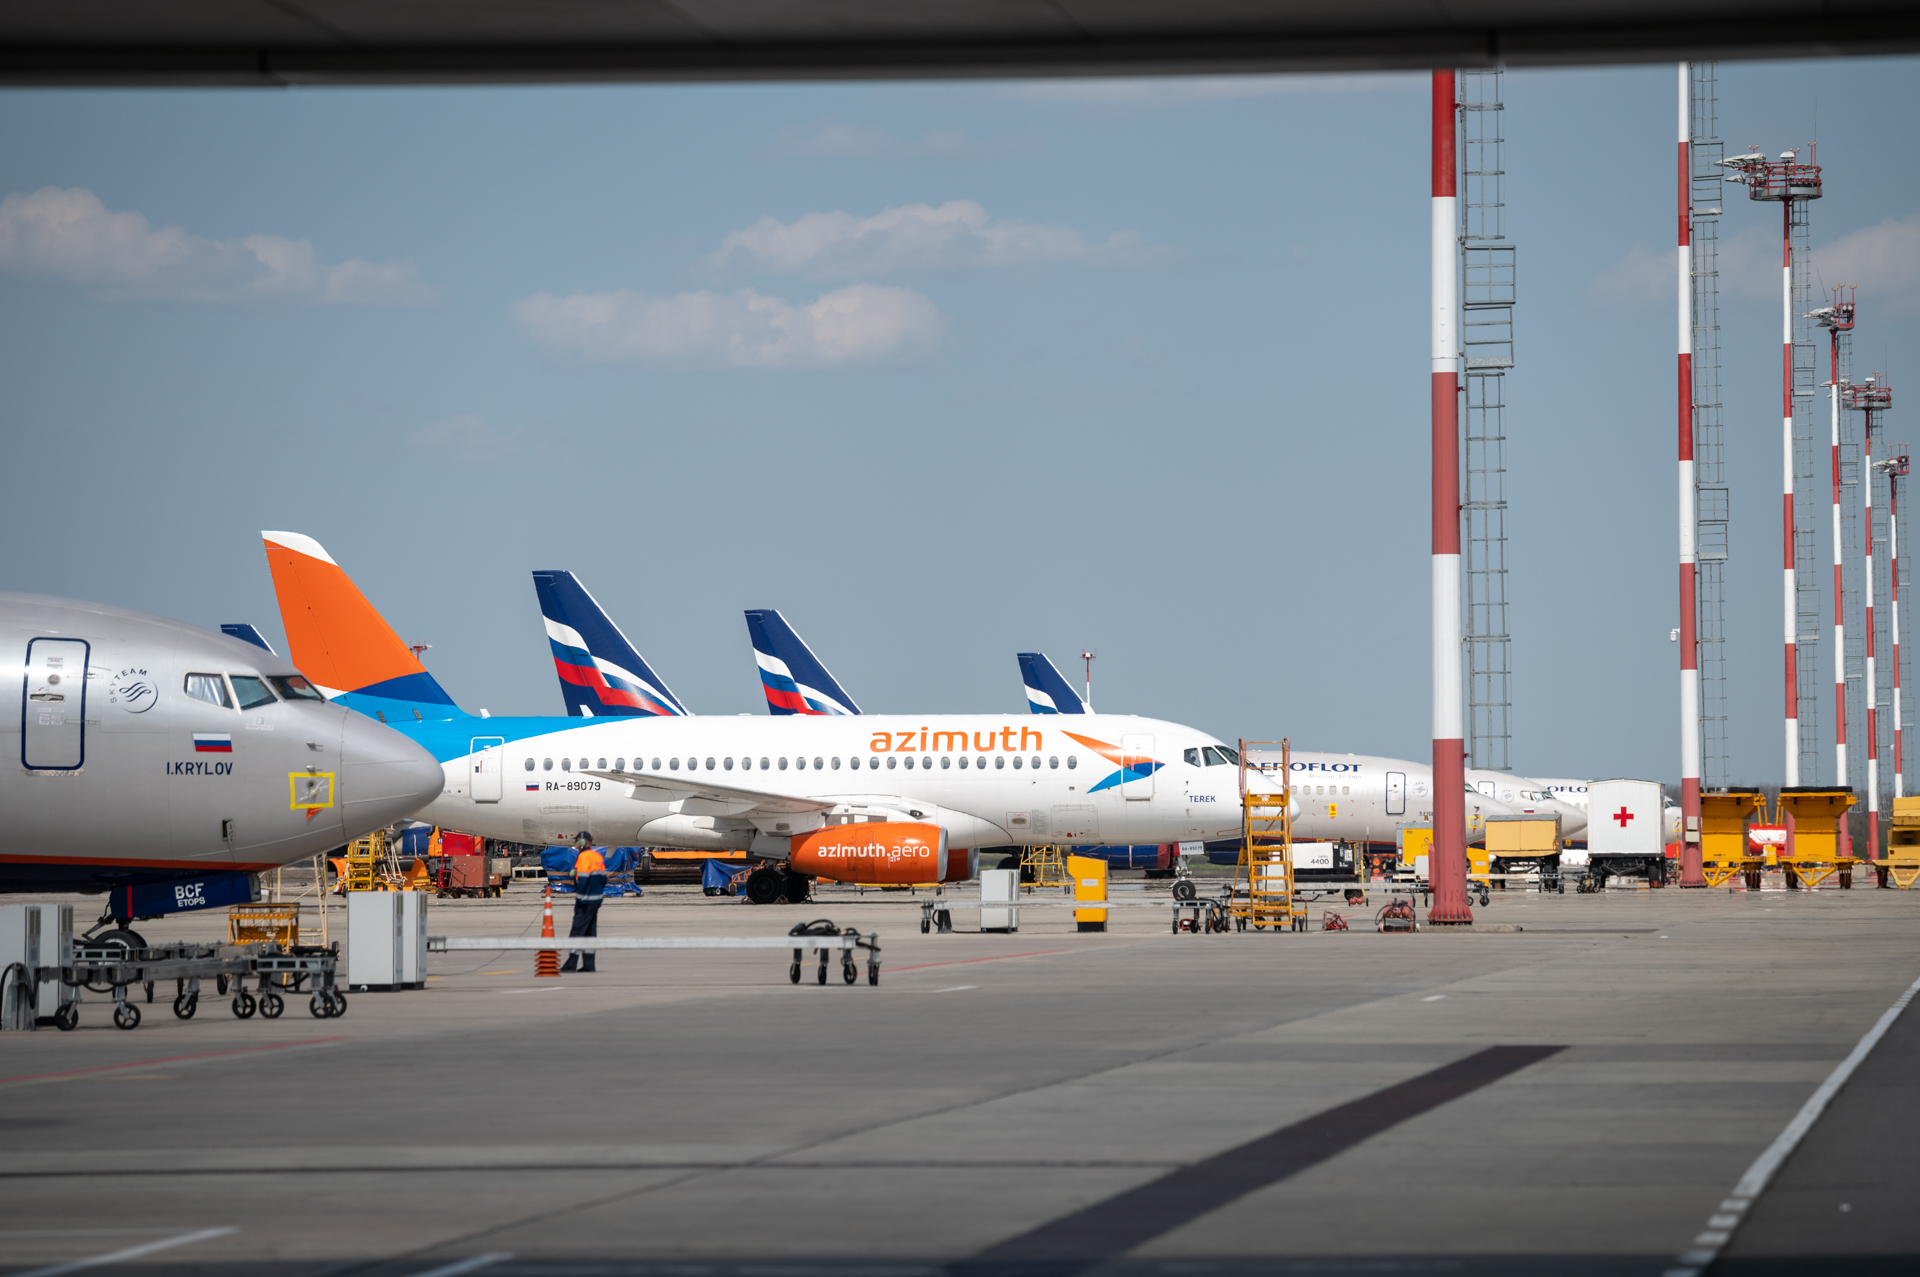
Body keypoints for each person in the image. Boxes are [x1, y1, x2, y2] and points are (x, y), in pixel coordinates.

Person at [559, 832, 606, 973]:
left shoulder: (583, 857)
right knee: (590, 932)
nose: (574, 844)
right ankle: (589, 965)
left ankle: (571, 964)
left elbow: (583, 880)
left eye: (576, 841)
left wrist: (580, 899)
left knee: (577, 931)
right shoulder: (597, 856)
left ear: (582, 842)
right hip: (596, 900)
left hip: (585, 901)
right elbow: (604, 879)